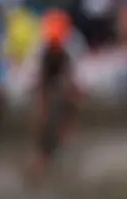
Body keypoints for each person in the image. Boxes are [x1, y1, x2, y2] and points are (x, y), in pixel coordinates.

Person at [26, 8, 81, 183]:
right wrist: (42, 109)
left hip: (62, 77)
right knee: (41, 116)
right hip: (43, 77)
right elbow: (39, 82)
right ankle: (42, 153)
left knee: (69, 99)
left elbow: (71, 78)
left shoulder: (73, 45)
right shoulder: (39, 48)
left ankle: (63, 137)